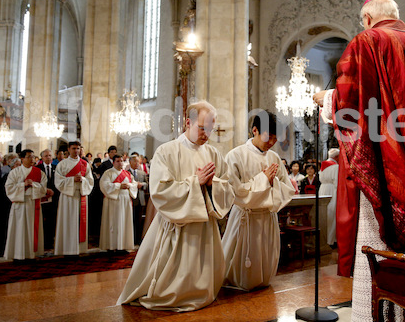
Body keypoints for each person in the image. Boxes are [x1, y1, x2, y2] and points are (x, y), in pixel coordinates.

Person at [314, 0, 405, 322]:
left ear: (366, 19)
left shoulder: (367, 40)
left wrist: (325, 102)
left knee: (375, 247)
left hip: (386, 167)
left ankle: (373, 315)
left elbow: (352, 107)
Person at [118, 100, 235, 311]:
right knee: (170, 282)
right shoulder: (167, 151)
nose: (206, 134)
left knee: (204, 279)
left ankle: (200, 293)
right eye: (202, 128)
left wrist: (212, 185)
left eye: (210, 129)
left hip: (204, 228)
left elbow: (228, 187)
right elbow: (160, 191)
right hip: (175, 228)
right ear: (188, 123)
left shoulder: (214, 154)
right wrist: (195, 183)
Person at [221, 110, 295, 291]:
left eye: (275, 139)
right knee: (240, 265)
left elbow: (287, 189)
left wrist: (273, 182)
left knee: (265, 262)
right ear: (254, 130)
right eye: (268, 137)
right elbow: (235, 191)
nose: (271, 143)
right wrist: (263, 180)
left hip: (267, 217)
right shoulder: (235, 155)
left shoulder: (274, 157)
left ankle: (262, 283)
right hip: (246, 217)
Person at [4, 150, 53, 260]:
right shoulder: (15, 172)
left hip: (33, 203)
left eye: (33, 157)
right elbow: (9, 188)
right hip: (19, 204)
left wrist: (33, 185)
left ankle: (31, 253)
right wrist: (23, 185)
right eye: (29, 157)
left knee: (32, 229)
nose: (32, 159)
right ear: (22, 159)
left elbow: (43, 188)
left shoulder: (39, 173)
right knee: (19, 229)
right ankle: (18, 254)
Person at [54, 141, 94, 256]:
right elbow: (58, 181)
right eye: (73, 148)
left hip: (80, 195)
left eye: (78, 148)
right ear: (68, 149)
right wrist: (72, 180)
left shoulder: (85, 164)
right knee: (67, 221)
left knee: (79, 222)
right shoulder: (62, 164)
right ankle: (67, 249)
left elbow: (90, 181)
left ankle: (79, 249)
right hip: (67, 196)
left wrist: (83, 180)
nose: (76, 151)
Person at [99, 154, 138, 251]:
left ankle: (123, 246)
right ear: (113, 162)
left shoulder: (128, 174)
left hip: (125, 201)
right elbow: (104, 185)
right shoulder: (108, 173)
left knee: (124, 222)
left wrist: (129, 185)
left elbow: (134, 184)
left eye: (121, 161)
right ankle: (112, 246)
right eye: (118, 161)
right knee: (114, 223)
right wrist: (119, 186)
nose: (120, 163)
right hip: (113, 201)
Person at [36, 149, 59, 249]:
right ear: (42, 157)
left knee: (52, 220)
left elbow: (59, 182)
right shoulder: (37, 168)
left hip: (54, 198)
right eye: (46, 156)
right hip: (42, 198)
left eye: (50, 155)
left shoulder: (57, 168)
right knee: (43, 220)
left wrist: (53, 192)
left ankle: (51, 240)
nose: (48, 157)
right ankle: (43, 240)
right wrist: (45, 191)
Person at [319, 148, 340, 246]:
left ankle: (324, 238)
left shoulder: (323, 166)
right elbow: (337, 182)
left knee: (325, 215)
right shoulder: (335, 167)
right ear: (336, 157)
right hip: (332, 191)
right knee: (332, 215)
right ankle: (331, 240)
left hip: (323, 189)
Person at [126, 155, 148, 244]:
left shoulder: (142, 173)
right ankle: (130, 239)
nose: (137, 163)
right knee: (131, 220)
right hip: (130, 199)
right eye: (135, 161)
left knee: (139, 221)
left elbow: (147, 184)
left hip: (141, 199)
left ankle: (138, 239)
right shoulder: (126, 172)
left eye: (138, 162)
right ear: (130, 162)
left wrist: (142, 185)